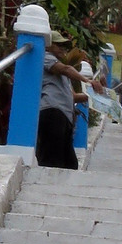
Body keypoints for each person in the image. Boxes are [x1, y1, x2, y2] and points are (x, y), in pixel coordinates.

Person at [37, 30, 104, 169]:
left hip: (64, 117)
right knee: (51, 161)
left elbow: (73, 96)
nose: (63, 49)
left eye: (64, 46)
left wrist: (97, 94)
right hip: (52, 112)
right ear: (48, 46)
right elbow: (66, 68)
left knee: (70, 164)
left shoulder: (60, 70)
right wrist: (88, 81)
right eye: (58, 45)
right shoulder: (46, 57)